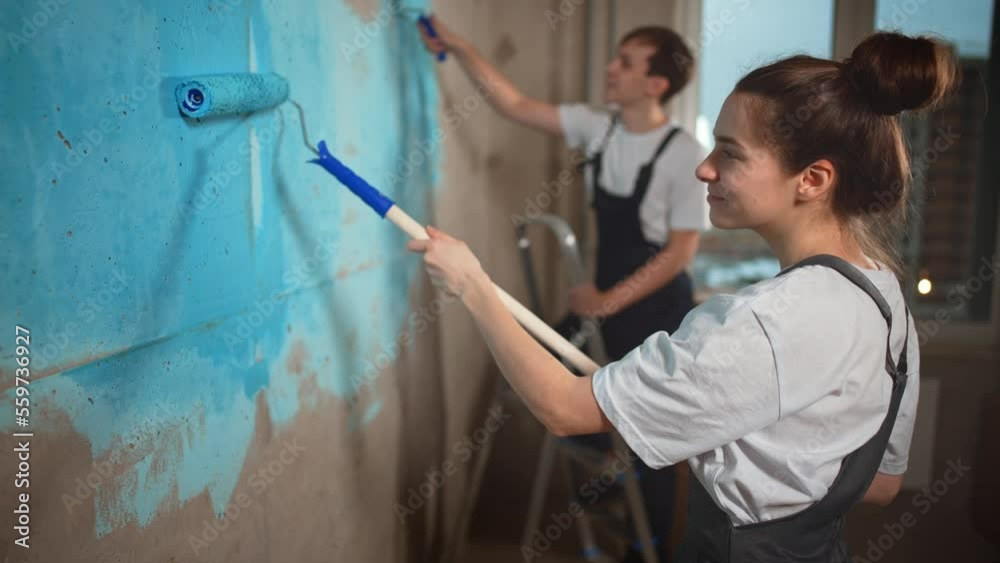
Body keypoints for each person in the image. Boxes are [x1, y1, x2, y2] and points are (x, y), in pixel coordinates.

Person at [409, 31, 956, 562]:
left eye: (730, 153)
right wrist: (751, 442)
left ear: (812, 179)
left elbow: (563, 409)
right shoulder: (886, 302)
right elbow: (882, 483)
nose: (705, 168)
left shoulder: (760, 324)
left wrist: (470, 283)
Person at [419, 19, 709, 560]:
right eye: (614, 56)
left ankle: (650, 548)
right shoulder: (598, 127)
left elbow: (680, 254)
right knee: (552, 385)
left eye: (626, 61)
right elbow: (515, 105)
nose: (610, 68)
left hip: (656, 311)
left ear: (655, 84)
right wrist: (460, 46)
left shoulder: (683, 153)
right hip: (607, 306)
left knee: (654, 442)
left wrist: (607, 300)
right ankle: (613, 498)